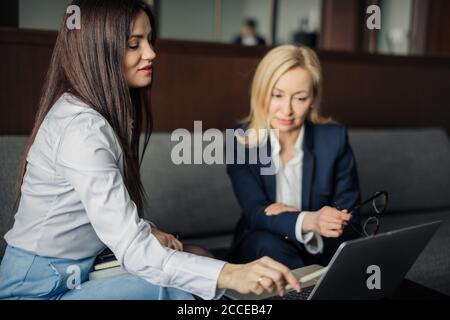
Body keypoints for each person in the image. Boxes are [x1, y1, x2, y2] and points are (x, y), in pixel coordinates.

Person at [0, 0, 300, 300]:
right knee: (172, 287)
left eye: (148, 40)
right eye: (134, 44)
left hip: (79, 274)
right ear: (98, 51)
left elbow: (107, 215)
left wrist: (146, 229)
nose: (151, 53)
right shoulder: (82, 130)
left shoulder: (98, 115)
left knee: (199, 256)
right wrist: (232, 273)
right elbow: (134, 249)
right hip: (36, 290)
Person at [226, 45, 361, 270]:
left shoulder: (334, 139)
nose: (287, 110)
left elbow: (350, 216)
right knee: (267, 244)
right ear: (260, 92)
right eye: (277, 95)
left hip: (320, 248)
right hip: (261, 245)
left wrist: (305, 220)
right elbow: (256, 212)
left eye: (299, 98)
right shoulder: (239, 140)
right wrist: (310, 220)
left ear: (312, 99)